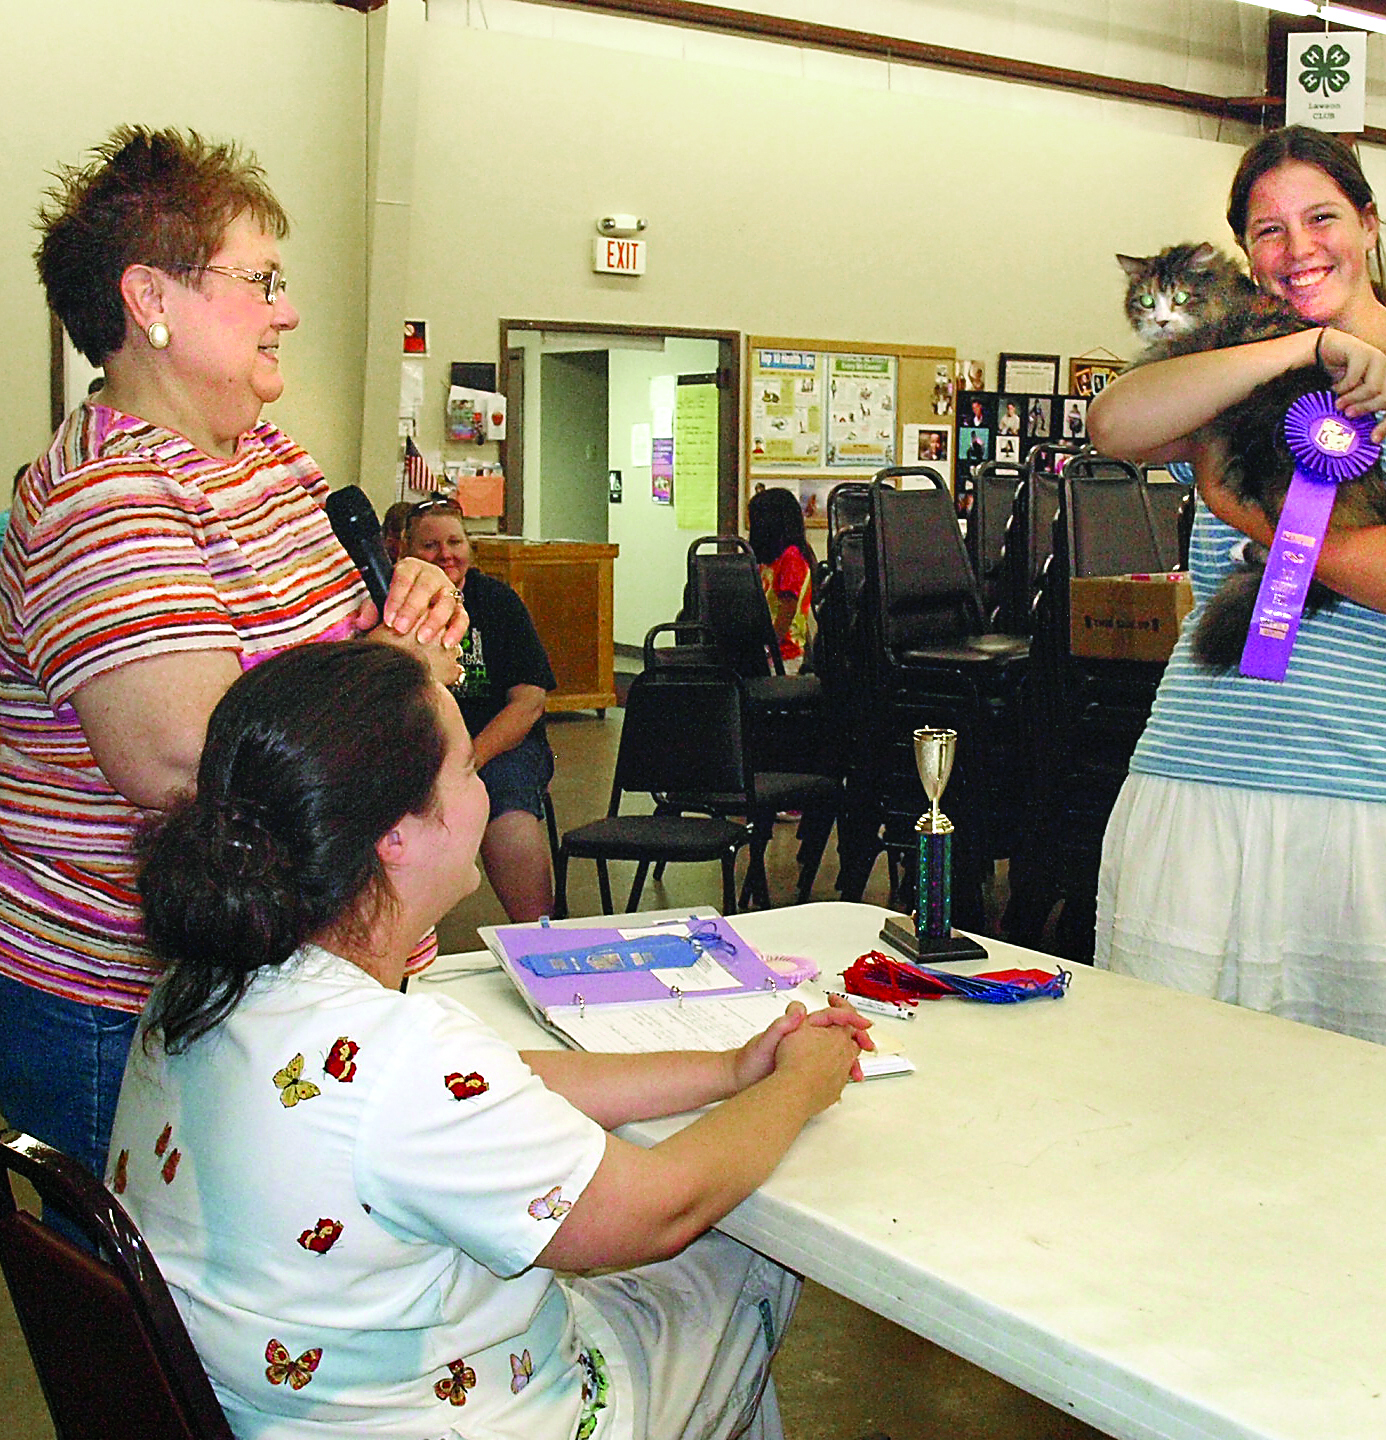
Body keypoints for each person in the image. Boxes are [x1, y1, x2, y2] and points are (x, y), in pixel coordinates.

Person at [112, 640, 870, 1439]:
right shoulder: (403, 1062)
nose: (483, 791)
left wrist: (729, 1068)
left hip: (281, 1408)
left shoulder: (206, 989)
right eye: (468, 770)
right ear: (396, 835)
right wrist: (799, 1083)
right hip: (489, 1418)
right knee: (745, 1251)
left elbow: (486, 1083)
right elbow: (659, 1213)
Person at [0, 126, 464, 1190]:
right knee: (173, 1342)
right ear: (150, 300)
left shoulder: (265, 455)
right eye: (260, 279)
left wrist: (419, 609)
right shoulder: (105, 499)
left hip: (290, 979)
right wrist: (399, 675)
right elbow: (199, 767)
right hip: (141, 1009)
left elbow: (351, 649)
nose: (287, 308)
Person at [1086, 125, 1386, 1072]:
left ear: (1366, 222)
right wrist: (1300, 349)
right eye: (1267, 231)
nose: (1298, 247)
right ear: (1245, 251)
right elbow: (1114, 423)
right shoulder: (1233, 357)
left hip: (1378, 795)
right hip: (1198, 777)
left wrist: (1246, 510)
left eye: (1321, 217)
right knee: (1170, 1101)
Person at [405, 496, 556, 921]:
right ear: (406, 553)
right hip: (420, 747)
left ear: (470, 548)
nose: (446, 554)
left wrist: (470, 759)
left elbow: (529, 701)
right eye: (430, 545)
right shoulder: (390, 609)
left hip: (497, 748)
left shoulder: (500, 603)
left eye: (455, 541)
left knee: (505, 801)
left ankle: (539, 936)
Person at [748, 486, 816, 665]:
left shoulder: (791, 557)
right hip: (772, 650)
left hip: (785, 654)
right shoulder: (772, 559)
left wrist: (769, 649)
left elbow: (788, 608)